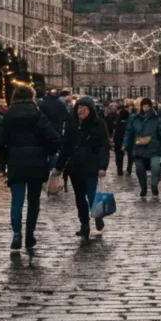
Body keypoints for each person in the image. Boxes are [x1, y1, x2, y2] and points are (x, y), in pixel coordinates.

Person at [0, 85, 62, 252]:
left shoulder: (8, 116)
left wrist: (5, 155)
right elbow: (54, 139)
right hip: (36, 162)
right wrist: (45, 151)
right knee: (33, 201)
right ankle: (29, 235)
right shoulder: (39, 116)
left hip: (16, 162)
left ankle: (17, 234)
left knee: (17, 201)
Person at [53, 95, 110, 238]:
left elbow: (104, 147)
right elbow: (66, 146)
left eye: (85, 108)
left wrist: (102, 166)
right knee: (79, 198)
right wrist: (59, 166)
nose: (81, 111)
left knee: (91, 195)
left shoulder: (99, 124)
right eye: (79, 107)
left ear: (91, 110)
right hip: (75, 167)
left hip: (91, 166)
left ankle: (97, 215)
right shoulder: (72, 124)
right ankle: (84, 224)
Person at [123, 97, 161, 199]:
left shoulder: (156, 118)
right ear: (141, 107)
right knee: (140, 170)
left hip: (153, 147)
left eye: (148, 106)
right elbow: (128, 131)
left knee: (155, 168)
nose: (146, 108)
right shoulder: (134, 118)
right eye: (145, 106)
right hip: (139, 147)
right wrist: (125, 144)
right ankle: (143, 188)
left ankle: (154, 186)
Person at [108, 101, 131, 176]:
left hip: (119, 140)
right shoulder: (128, 121)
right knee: (129, 155)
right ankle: (129, 168)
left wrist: (114, 140)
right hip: (126, 139)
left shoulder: (118, 122)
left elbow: (116, 131)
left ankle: (119, 170)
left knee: (119, 156)